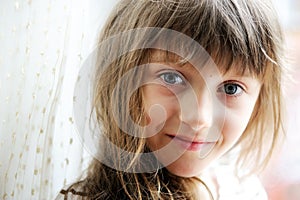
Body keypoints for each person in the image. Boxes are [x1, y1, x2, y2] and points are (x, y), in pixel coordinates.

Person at [57, 0, 285, 199]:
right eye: (171, 78)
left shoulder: (243, 190)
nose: (199, 119)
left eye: (231, 88)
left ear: (259, 100)